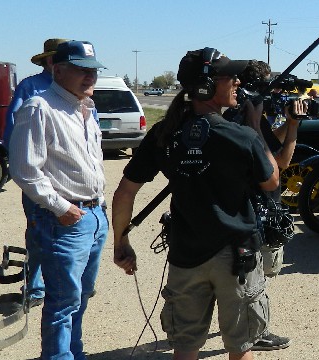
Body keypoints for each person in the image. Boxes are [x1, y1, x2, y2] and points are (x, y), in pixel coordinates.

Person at [112, 47, 277, 360]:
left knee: (185, 348)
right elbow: (272, 181)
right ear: (206, 87)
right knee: (241, 348)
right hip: (236, 257)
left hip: (186, 256)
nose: (238, 83)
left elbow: (124, 192)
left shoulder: (164, 133)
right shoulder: (241, 135)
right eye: (231, 78)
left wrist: (121, 240)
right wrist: (256, 126)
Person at [8, 40, 108, 360]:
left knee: (81, 296)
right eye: (81, 70)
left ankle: (73, 353)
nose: (89, 76)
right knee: (63, 303)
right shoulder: (40, 107)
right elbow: (24, 170)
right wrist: (61, 208)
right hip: (65, 219)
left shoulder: (86, 109)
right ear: (58, 70)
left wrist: (99, 205)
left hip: (92, 215)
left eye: (92, 70)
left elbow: (91, 164)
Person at [223, 60, 304, 351]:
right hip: (258, 213)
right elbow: (279, 164)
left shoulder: (239, 116)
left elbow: (267, 141)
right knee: (257, 275)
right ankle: (255, 333)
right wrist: (293, 128)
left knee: (248, 274)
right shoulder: (246, 120)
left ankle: (242, 324)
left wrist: (283, 124)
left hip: (249, 211)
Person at [5, 37, 69, 309]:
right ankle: (35, 287)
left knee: (70, 232)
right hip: (40, 178)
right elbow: (12, 130)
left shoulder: (77, 91)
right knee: (37, 232)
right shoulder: (30, 87)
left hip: (69, 181)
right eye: (60, 58)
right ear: (49, 61)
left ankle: (67, 285)